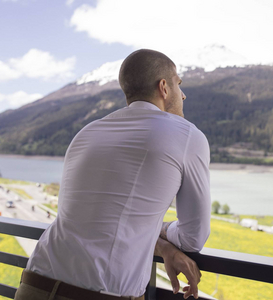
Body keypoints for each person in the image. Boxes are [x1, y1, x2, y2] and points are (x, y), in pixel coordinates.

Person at [14, 49, 211, 300]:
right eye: (178, 85)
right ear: (164, 87)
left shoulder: (87, 132)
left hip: (34, 285)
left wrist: (158, 243)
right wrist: (160, 229)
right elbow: (193, 238)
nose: (183, 95)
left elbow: (90, 218)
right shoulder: (187, 135)